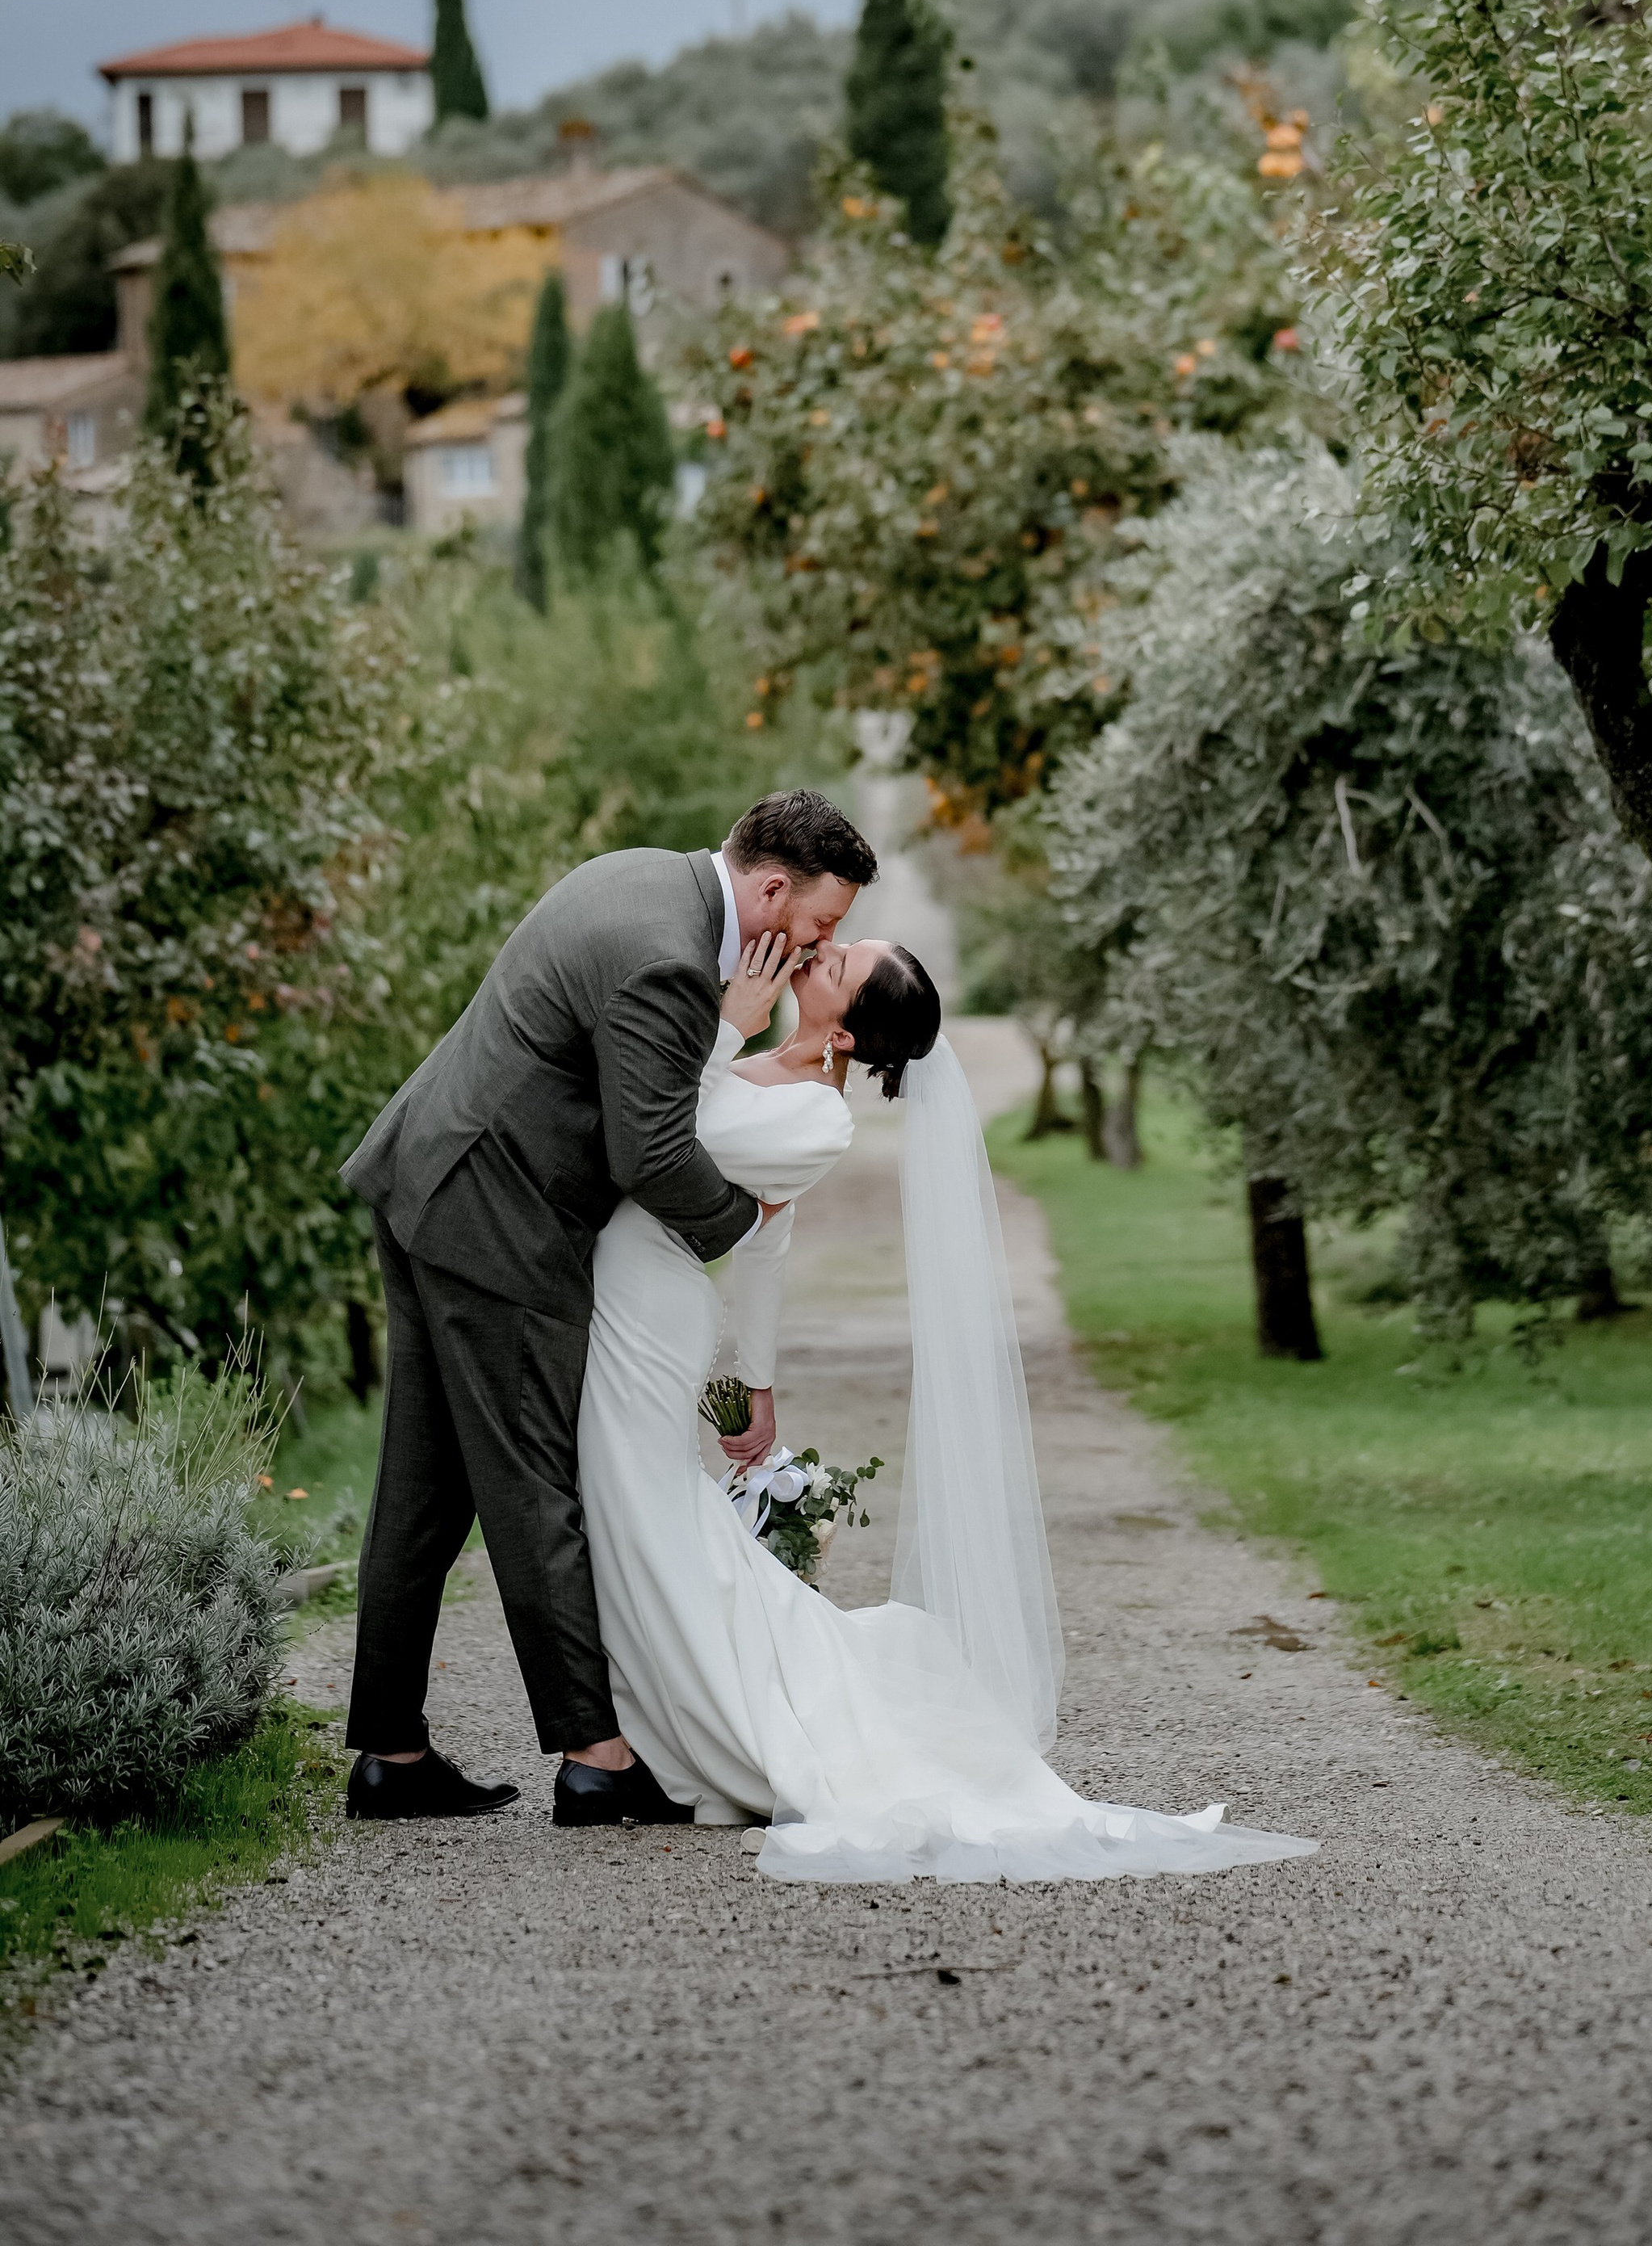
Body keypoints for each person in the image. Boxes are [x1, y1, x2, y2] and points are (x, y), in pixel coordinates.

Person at [577, 929, 1318, 1882]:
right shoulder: (774, 1061)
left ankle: (659, 1738)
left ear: (845, 1036)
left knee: (645, 1518)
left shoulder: (814, 1115)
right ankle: (653, 1728)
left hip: (652, 1307)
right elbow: (759, 1245)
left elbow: (667, 1135)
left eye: (837, 966)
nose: (820, 952)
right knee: (642, 1521)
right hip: (641, 1300)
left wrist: (721, 1028)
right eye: (837, 945)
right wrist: (756, 1381)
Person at [338, 789, 877, 1825]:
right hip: (495, 1219)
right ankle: (597, 1758)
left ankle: (391, 1756)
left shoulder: (643, 874)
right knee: (536, 1480)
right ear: (772, 889)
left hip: (432, 1179)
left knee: (427, 1485)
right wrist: (744, 1218)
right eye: (822, 921)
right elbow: (653, 1152)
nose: (821, 940)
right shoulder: (672, 962)